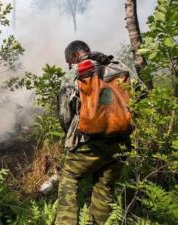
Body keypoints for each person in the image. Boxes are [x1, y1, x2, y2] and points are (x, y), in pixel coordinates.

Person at [55, 40, 135, 225]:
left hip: (89, 141)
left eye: (69, 62)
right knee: (104, 186)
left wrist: (73, 135)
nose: (70, 66)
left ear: (76, 56)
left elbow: (65, 116)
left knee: (69, 178)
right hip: (120, 140)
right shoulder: (120, 68)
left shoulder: (74, 75)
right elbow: (137, 98)